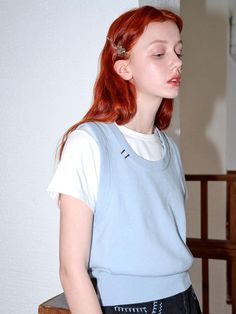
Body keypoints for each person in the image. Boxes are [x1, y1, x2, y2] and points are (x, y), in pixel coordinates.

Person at [48, 5, 202, 314]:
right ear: (124, 68)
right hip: (129, 306)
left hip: (185, 298)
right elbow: (71, 269)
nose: (176, 62)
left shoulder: (169, 148)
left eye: (178, 52)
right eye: (159, 54)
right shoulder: (90, 143)